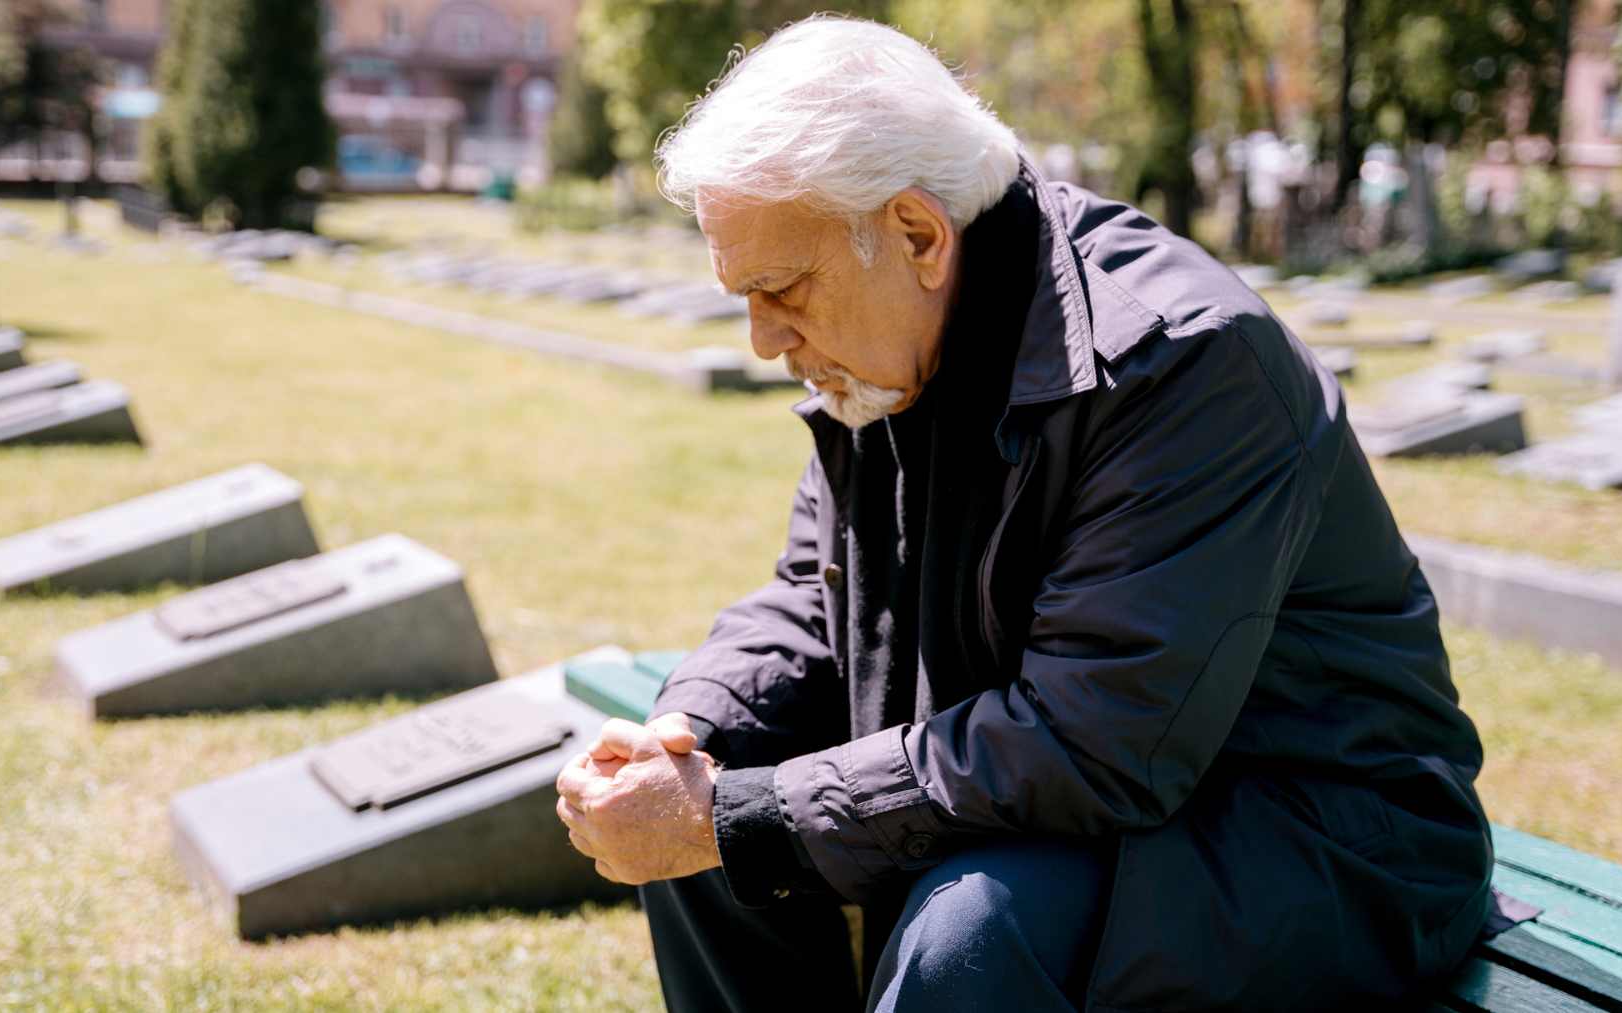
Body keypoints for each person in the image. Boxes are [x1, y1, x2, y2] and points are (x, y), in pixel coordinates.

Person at [554, 16, 1493, 1012]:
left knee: (968, 932)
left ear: (916, 233)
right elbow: (817, 600)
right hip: (1093, 788)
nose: (760, 339)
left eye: (781, 288)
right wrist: (690, 726)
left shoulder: (1184, 362)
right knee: (712, 834)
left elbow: (1095, 739)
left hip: (1316, 825)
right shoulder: (889, 348)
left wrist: (734, 815)